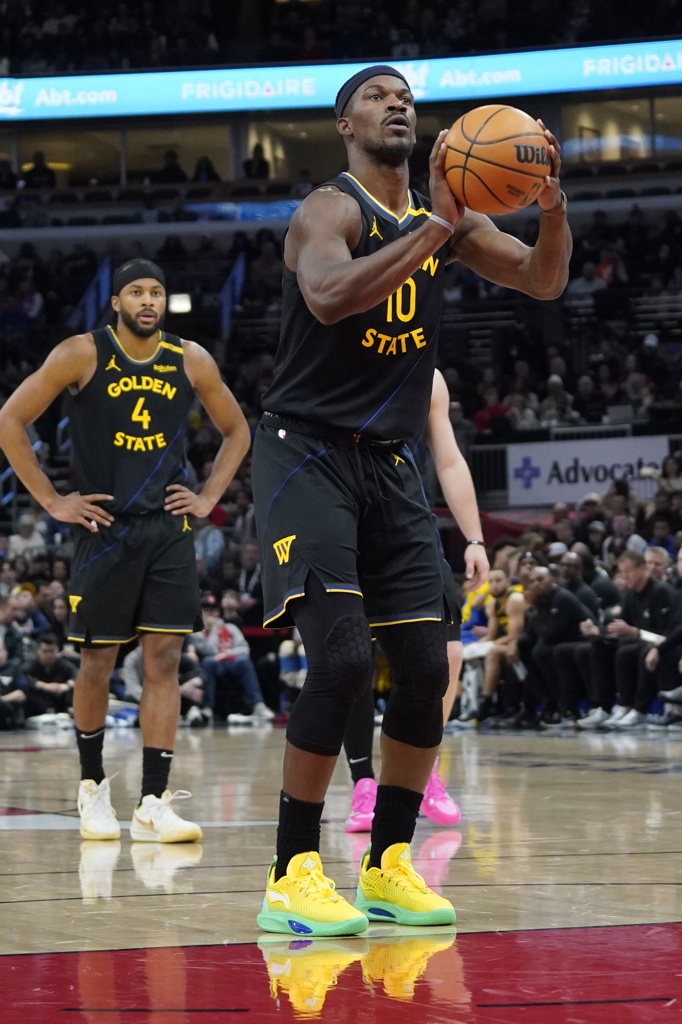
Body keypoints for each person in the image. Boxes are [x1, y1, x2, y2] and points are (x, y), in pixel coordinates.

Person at [250, 64, 571, 937]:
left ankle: (389, 867)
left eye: (406, 96)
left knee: (428, 669)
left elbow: (542, 281)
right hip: (304, 453)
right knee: (342, 661)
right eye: (377, 94)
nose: (397, 102)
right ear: (344, 122)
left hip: (389, 465)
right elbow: (328, 295)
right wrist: (435, 229)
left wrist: (550, 206)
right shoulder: (331, 209)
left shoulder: (446, 221)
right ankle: (290, 874)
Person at [0, 257, 250, 844]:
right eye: (136, 292)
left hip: (167, 529)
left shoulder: (190, 358)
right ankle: (92, 788)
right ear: (116, 303)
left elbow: (238, 430)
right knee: (97, 662)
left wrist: (209, 496)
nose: (148, 301)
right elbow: (10, 419)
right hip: (103, 529)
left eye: (156, 292)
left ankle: (153, 802)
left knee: (164, 661)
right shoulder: (80, 353)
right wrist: (52, 500)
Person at [342, 368, 490, 831]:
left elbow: (449, 460)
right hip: (344, 519)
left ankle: (423, 769)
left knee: (449, 653)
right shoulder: (336, 356)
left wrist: (474, 539)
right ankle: (364, 783)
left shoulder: (428, 376)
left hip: (408, 522)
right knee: (352, 661)